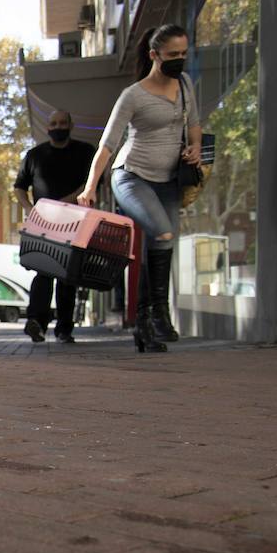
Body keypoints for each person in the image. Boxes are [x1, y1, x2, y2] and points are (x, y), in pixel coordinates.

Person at [77, 24, 201, 353]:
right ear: (154, 55)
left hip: (169, 180)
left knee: (162, 244)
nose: (179, 59)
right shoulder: (133, 95)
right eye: (172, 54)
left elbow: (194, 124)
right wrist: (90, 187)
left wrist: (195, 147)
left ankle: (144, 322)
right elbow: (107, 144)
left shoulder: (185, 84)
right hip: (131, 177)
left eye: (183, 53)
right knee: (162, 233)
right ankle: (159, 313)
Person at [14, 110, 97, 343]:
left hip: (76, 222)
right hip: (45, 223)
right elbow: (19, 186)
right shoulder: (34, 155)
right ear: (47, 127)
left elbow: (91, 183)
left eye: (62, 123)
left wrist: (66, 202)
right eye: (53, 123)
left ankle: (64, 329)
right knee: (43, 270)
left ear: (71, 126)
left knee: (68, 275)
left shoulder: (85, 152)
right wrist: (30, 209)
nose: (58, 127)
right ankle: (36, 322)